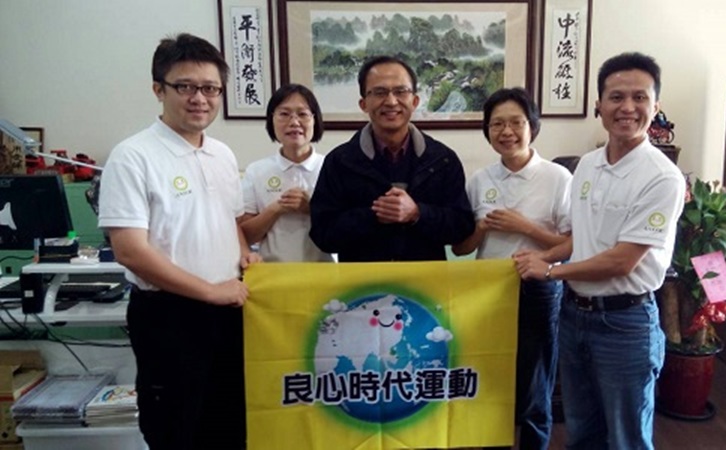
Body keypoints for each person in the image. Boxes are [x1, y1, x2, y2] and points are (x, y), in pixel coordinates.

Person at [513, 52, 685, 449]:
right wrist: (544, 256)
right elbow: (584, 236)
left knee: (626, 438)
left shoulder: (662, 178)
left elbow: (623, 261)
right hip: (575, 315)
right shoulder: (587, 165)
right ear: (599, 105)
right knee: (581, 431)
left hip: (625, 323)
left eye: (640, 98)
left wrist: (550, 271)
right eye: (616, 97)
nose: (628, 107)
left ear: (655, 106)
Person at [97, 33, 259, 450]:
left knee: (230, 427)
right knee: (176, 430)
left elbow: (230, 220)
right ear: (159, 89)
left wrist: (244, 252)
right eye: (185, 86)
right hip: (169, 316)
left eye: (210, 88)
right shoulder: (133, 156)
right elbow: (130, 251)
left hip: (229, 312)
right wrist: (210, 291)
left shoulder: (222, 154)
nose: (199, 98)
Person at [452, 88, 571, 450]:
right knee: (489, 382)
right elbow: (461, 247)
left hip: (538, 289)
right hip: (487, 291)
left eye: (516, 123)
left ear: (532, 126)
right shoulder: (479, 180)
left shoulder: (558, 177)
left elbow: (573, 243)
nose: (507, 132)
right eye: (497, 124)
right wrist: (482, 227)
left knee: (535, 386)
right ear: (487, 131)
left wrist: (526, 227)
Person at [309, 55, 474, 261]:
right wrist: (373, 215)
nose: (391, 101)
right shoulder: (340, 161)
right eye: (379, 92)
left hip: (425, 280)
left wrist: (417, 213)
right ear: (363, 104)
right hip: (362, 280)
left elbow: (461, 227)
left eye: (400, 91)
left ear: (415, 101)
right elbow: (323, 234)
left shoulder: (443, 160)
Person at [240, 84, 333, 262]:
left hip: (323, 271)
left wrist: (311, 208)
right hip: (272, 271)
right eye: (284, 114)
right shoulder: (256, 171)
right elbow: (245, 236)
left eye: (303, 114)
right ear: (272, 120)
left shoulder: (330, 167)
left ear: (315, 120)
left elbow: (345, 228)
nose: (294, 122)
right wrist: (276, 209)